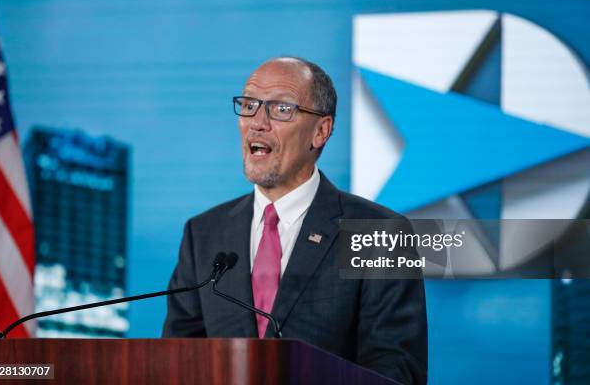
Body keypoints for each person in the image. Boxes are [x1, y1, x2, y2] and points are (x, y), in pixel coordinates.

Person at [162, 57, 428, 384]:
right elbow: (177, 361)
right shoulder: (203, 234)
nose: (257, 122)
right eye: (248, 105)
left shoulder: (378, 233)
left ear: (320, 131)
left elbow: (396, 370)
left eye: (280, 109)